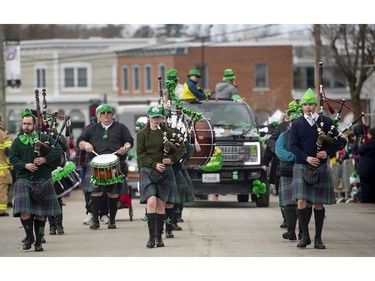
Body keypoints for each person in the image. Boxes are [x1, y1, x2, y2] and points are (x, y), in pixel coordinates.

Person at [289, 88, 345, 249]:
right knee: (301, 200)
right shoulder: (297, 124)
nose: (308, 107)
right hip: (302, 165)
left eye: (311, 104)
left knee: (318, 203)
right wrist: (306, 157)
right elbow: (292, 146)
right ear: (302, 107)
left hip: (320, 166)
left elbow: (341, 142)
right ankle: (304, 236)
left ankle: (318, 239)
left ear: (315, 105)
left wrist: (326, 153)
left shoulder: (325, 122)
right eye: (305, 104)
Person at [10, 109, 63, 252]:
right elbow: (13, 159)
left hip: (43, 178)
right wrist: (25, 165)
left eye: (29, 124)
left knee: (40, 213)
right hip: (24, 179)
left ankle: (39, 242)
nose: (26, 126)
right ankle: (29, 236)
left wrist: (45, 159)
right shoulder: (17, 142)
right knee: (24, 212)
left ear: (35, 124)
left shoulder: (44, 137)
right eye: (24, 124)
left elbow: (58, 150)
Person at [77, 104, 133, 230]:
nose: (106, 114)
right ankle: (95, 221)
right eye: (103, 113)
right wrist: (85, 144)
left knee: (113, 193)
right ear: (98, 116)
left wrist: (126, 148)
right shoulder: (91, 129)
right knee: (96, 192)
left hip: (115, 163)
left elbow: (129, 140)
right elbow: (80, 141)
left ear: (112, 114)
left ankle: (112, 221)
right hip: (96, 163)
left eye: (108, 112)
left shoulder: (120, 127)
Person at [137, 105, 186, 248]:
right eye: (153, 117)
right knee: (151, 201)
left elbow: (182, 147)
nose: (155, 120)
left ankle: (159, 237)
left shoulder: (168, 132)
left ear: (161, 118)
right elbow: (140, 154)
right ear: (149, 118)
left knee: (161, 204)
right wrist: (153, 164)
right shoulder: (142, 134)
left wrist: (171, 159)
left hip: (165, 171)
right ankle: (151, 238)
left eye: (158, 117)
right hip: (148, 170)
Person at [275, 107, 303, 241]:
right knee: (289, 203)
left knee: (303, 203)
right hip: (287, 171)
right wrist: (296, 157)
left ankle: (303, 232)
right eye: (292, 121)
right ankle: (291, 231)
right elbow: (279, 151)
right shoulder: (283, 135)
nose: (294, 123)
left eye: (297, 121)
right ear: (289, 123)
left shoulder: (305, 135)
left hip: (303, 171)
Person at [75, 117, 109, 226]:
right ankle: (89, 212)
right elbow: (79, 147)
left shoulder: (107, 129)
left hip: (103, 163)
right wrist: (79, 164)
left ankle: (103, 214)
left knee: (103, 190)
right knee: (88, 191)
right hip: (88, 165)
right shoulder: (88, 129)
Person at [45, 118, 70, 235]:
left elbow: (66, 151)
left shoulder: (59, 138)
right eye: (48, 124)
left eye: (52, 124)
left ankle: (59, 225)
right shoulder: (41, 137)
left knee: (58, 198)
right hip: (45, 170)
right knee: (48, 199)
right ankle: (51, 226)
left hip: (57, 170)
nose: (50, 126)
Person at [356, 127, 375, 203]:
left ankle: (366, 201)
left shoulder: (368, 142)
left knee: (365, 186)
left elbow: (360, 150)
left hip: (366, 168)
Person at [0, 116, 13, 216]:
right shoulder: (3, 134)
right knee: (2, 190)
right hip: (2, 169)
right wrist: (11, 164)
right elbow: (9, 151)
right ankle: (1, 211)